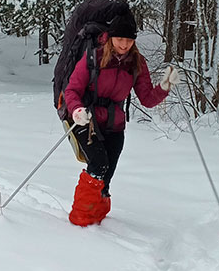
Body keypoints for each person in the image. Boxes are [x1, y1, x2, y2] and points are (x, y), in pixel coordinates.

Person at [61, 12, 179, 226]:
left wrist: (165, 86)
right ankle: (80, 219)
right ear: (110, 37)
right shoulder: (93, 57)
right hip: (86, 120)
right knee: (98, 166)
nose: (124, 44)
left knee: (106, 175)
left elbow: (147, 99)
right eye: (120, 39)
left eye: (129, 40)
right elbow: (72, 90)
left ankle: (97, 218)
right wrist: (77, 110)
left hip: (114, 124)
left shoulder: (136, 63)